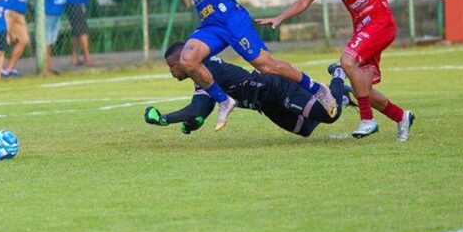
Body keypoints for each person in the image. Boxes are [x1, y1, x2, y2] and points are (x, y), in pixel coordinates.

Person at [121, 0, 336, 131]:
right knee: (188, 60)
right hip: (211, 24)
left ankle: (318, 89)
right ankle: (225, 101)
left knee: (267, 66)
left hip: (230, 18)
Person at [256, 0, 451, 141]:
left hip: (381, 23)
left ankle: (367, 120)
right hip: (362, 31)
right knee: (363, 90)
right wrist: (280, 17)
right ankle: (401, 116)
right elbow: (305, 0)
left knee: (347, 61)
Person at [145, 42, 353, 136]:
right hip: (267, 105)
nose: (171, 70)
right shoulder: (202, 74)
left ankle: (338, 75)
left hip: (277, 89)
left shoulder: (208, 69)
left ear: (184, 59)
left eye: (172, 65)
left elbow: (197, 109)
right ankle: (342, 98)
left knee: (329, 116)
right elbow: (202, 111)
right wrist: (191, 125)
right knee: (305, 130)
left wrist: (164, 119)